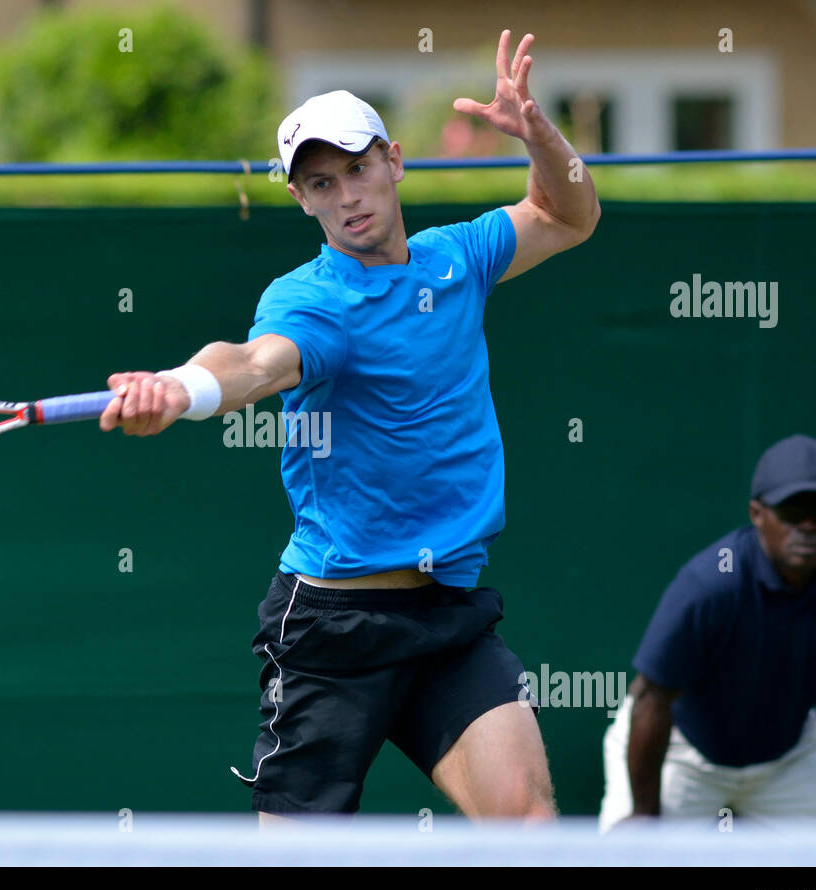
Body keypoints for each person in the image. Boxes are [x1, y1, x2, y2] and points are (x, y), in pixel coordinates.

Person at [100, 30, 600, 820]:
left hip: (446, 618)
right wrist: (183, 388)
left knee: (529, 824)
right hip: (335, 629)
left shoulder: (458, 259)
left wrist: (542, 136)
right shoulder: (314, 301)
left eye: (358, 170)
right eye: (321, 185)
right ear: (301, 200)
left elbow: (567, 215)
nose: (347, 197)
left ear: (395, 161)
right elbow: (256, 363)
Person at [598, 435, 816, 831]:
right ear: (757, 513)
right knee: (629, 855)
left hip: (788, 759)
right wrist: (645, 814)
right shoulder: (711, 584)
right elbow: (650, 698)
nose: (808, 525)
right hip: (681, 751)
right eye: (792, 511)